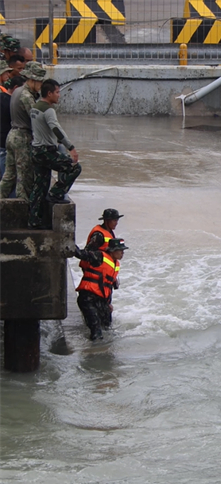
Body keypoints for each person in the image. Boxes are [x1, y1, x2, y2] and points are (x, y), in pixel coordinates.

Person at [28, 78, 82, 228]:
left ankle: (34, 220)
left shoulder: (35, 107)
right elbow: (56, 129)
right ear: (49, 93)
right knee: (74, 167)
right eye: (57, 92)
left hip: (36, 151)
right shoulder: (48, 109)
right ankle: (57, 194)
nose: (59, 95)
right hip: (46, 151)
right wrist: (70, 147)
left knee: (39, 187)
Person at [0, 61, 45, 200]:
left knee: (8, 176)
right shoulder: (26, 96)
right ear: (32, 80)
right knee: (23, 177)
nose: (41, 86)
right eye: (39, 82)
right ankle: (22, 209)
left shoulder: (17, 91)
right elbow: (36, 119)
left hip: (12, 136)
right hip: (22, 138)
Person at [73, 238, 128, 341]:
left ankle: (107, 349)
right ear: (112, 250)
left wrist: (108, 304)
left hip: (101, 300)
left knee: (107, 326)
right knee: (96, 330)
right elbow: (81, 254)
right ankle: (94, 353)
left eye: (123, 250)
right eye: (120, 250)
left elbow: (108, 287)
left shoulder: (115, 265)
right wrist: (70, 244)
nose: (122, 253)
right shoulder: (99, 256)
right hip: (88, 298)